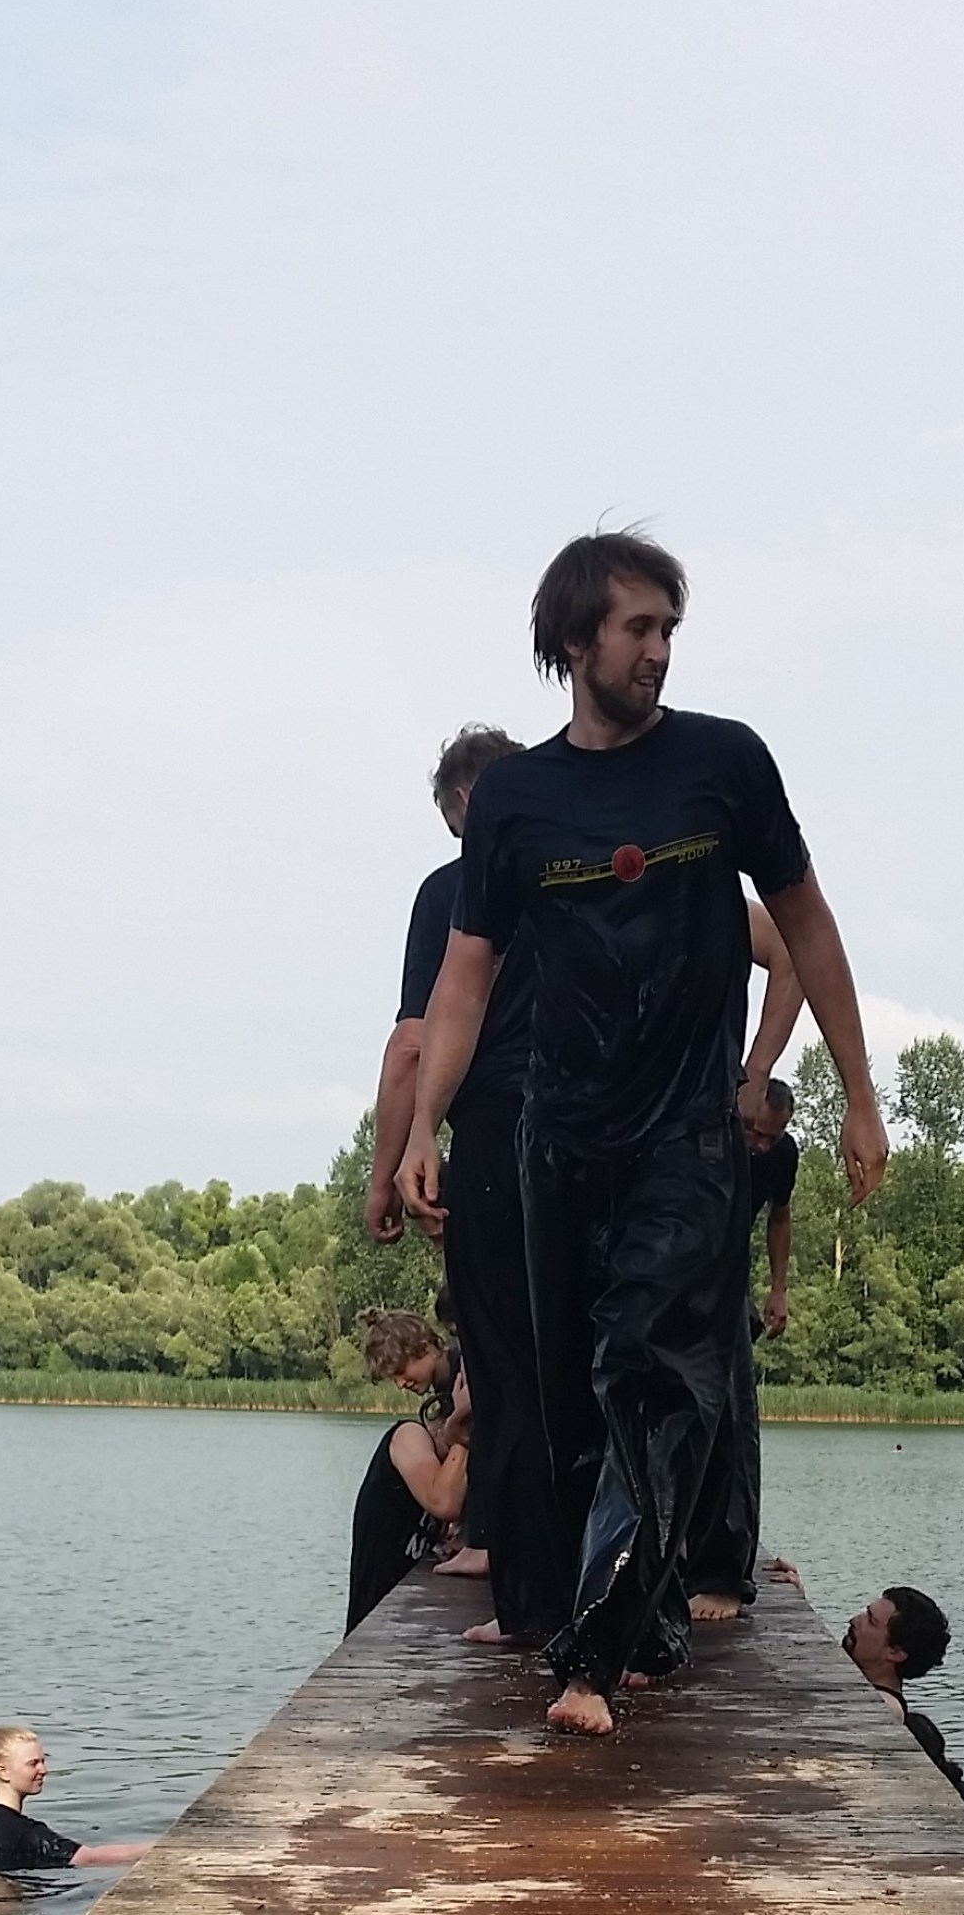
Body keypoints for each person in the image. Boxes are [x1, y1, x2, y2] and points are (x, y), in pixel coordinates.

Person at [399, 528, 883, 1739]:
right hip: (555, 1141)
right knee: (568, 1401)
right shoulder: (517, 800)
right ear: (575, 640)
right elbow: (464, 977)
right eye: (636, 628)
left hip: (684, 1141)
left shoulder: (722, 764)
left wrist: (855, 1091)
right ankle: (643, 1613)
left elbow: (806, 927)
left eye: (669, 628)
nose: (657, 650)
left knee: (653, 1379)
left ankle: (592, 1660)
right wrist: (421, 1129)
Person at [367, 729, 554, 1643]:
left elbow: (413, 1044)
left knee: (504, 1362)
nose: (459, 842)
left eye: (456, 823)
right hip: (598, 1138)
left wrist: (392, 1167)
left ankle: (513, 1575)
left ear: (472, 805)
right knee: (579, 1361)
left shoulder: (453, 893)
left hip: (496, 1137)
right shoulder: (583, 874)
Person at [684, 1071, 802, 1623]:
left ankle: (723, 1574)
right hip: (674, 1271)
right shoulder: (704, 1133)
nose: (758, 1144)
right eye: (752, 1131)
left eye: (770, 1137)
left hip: (728, 1284)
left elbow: (779, 1215)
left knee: (732, 1422)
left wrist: (778, 1288)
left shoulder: (781, 1156)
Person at [346, 1318, 471, 1631]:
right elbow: (444, 1502)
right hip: (374, 1613)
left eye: (401, 1371)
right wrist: (463, 1432)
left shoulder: (461, 1372)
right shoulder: (407, 1436)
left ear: (425, 1348)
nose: (400, 1384)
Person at [841, 1586, 964, 1827]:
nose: (855, 1620)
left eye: (871, 1620)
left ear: (896, 1652)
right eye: (865, 1612)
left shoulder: (886, 1708)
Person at [0, 1728, 155, 1873]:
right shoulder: (24, 1832)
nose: (44, 1770)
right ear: (3, 1772)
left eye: (43, 1761)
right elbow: (89, 1858)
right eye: (33, 1764)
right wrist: (158, 1846)